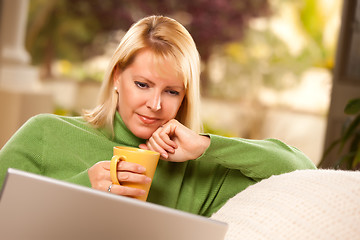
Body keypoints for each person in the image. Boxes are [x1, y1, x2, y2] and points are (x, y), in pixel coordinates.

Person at [0, 15, 316, 217]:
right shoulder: (46, 134)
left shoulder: (198, 171)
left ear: (185, 97)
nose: (155, 104)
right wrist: (82, 188)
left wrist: (206, 146)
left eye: (172, 91)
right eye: (142, 84)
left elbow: (302, 171)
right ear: (116, 79)